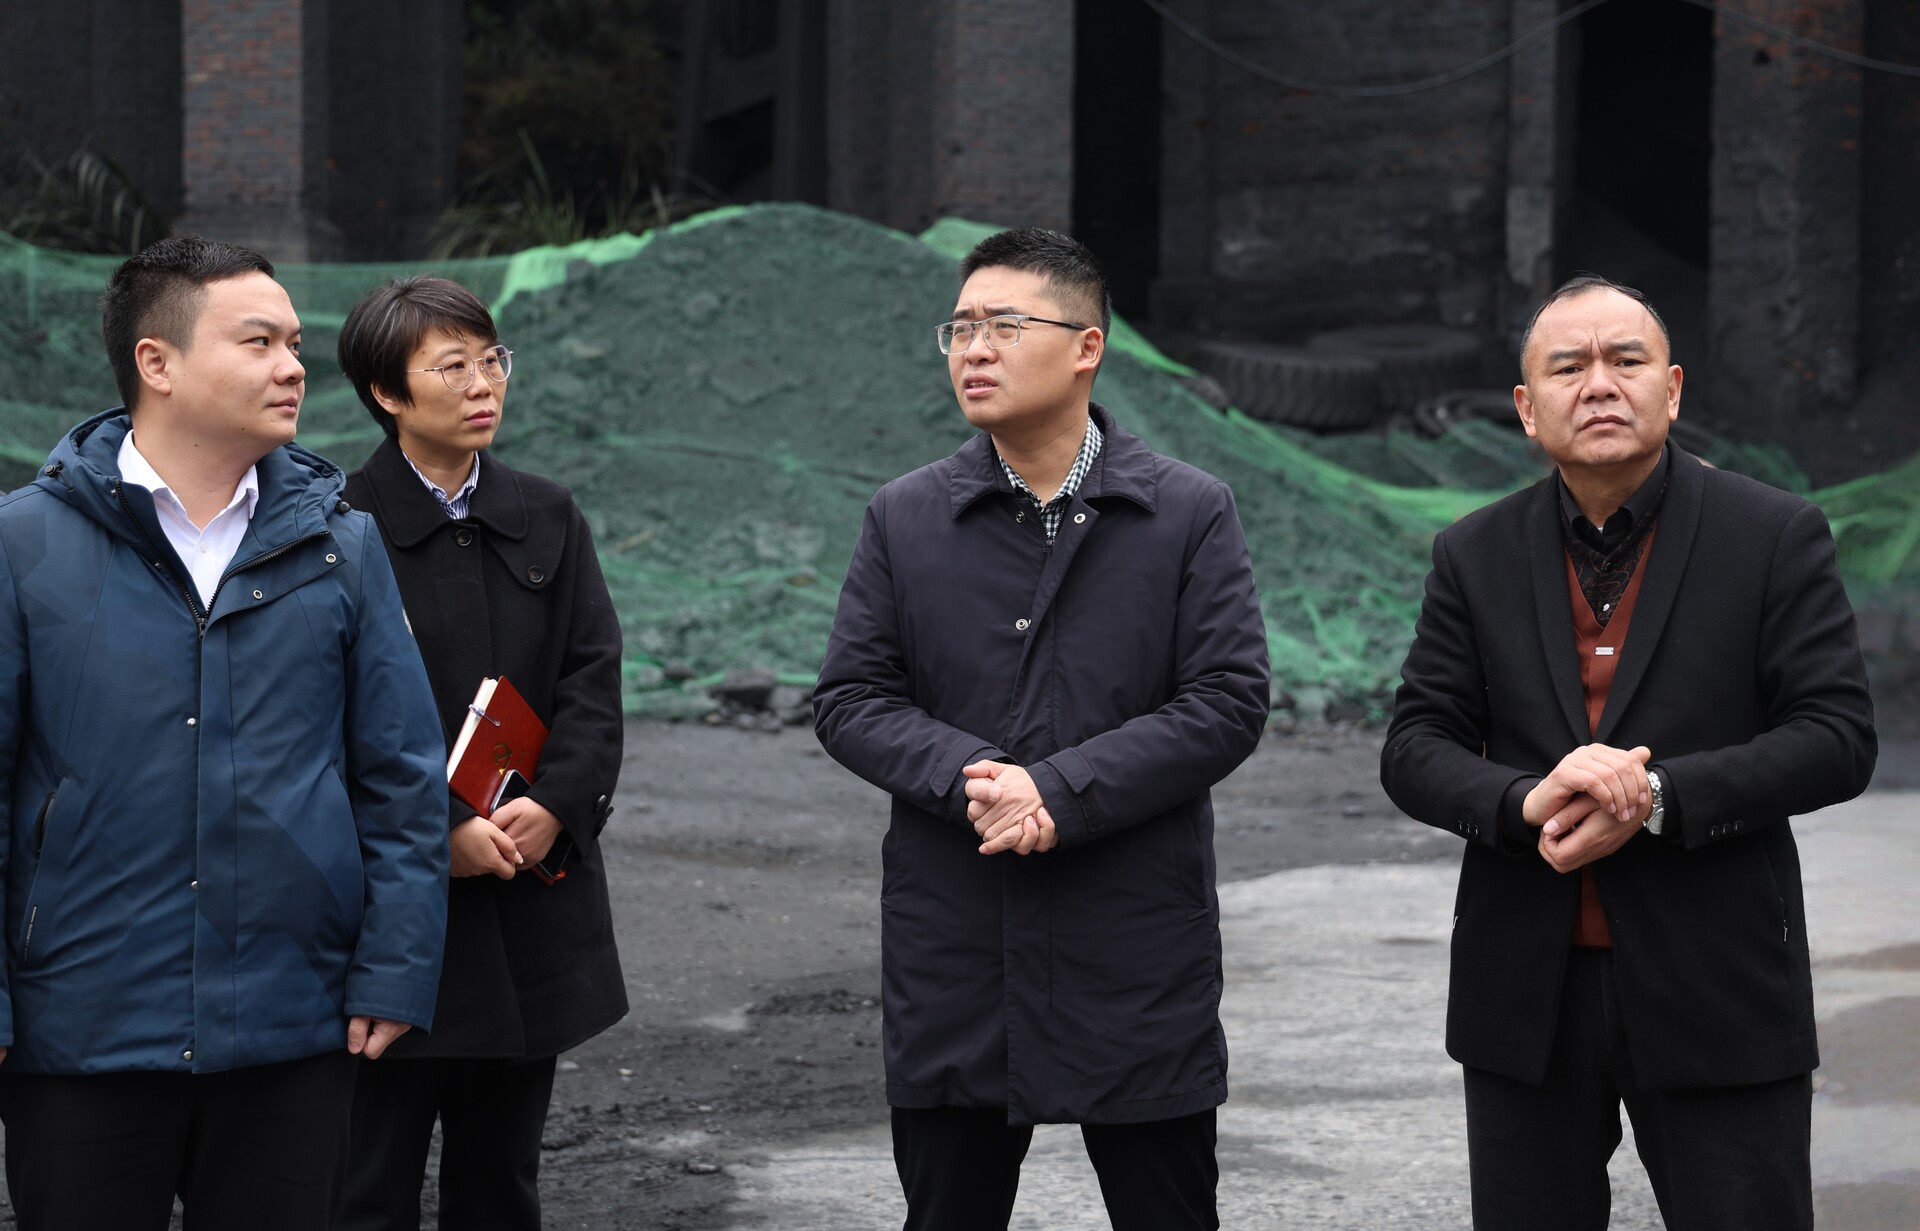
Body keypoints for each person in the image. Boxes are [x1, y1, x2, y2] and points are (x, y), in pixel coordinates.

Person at [1380, 274, 1877, 1229]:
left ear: (1673, 388)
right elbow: (1415, 744)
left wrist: (1654, 797)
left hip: (1719, 976)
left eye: (1626, 360)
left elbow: (1837, 736)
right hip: (1525, 990)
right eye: (1568, 367)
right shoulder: (1473, 553)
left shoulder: (1772, 534)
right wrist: (1526, 799)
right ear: (1527, 408)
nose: (1599, 384)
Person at [813, 228, 1270, 1231]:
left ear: (1086, 347)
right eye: (960, 328)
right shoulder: (906, 516)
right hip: (957, 937)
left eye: (1005, 326)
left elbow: (1227, 699)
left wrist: (1059, 792)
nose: (973, 349)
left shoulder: (1186, 511)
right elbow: (850, 697)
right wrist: (973, 776)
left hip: (1133, 941)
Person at [0, 235, 450, 1230]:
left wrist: (396, 967)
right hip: (79, 1032)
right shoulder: (22, 544)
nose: (293, 366)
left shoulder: (341, 546)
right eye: (259, 341)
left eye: (294, 343)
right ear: (156, 362)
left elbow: (401, 777)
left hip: (293, 1032)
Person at [332, 275, 627, 1231]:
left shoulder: (548, 512)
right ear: (387, 392)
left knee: (501, 1183)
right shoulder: (339, 524)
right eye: (451, 366)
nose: (482, 383)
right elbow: (322, 716)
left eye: (491, 359)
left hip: (527, 895)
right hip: (395, 916)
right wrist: (441, 828)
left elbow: (592, 677)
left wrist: (559, 804)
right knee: (364, 1184)